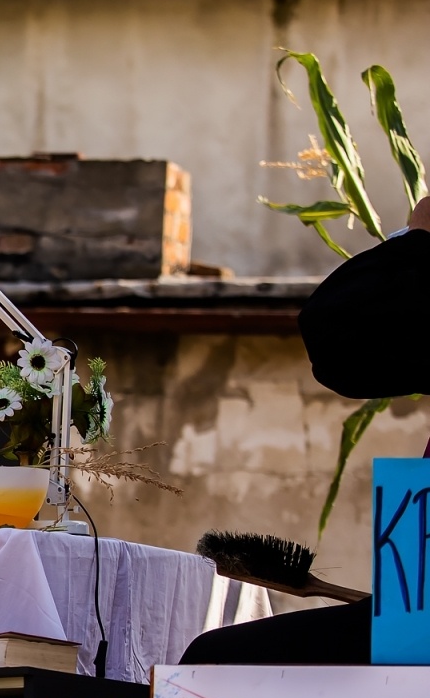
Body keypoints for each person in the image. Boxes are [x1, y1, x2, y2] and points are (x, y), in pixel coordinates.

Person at [181, 196, 430, 665]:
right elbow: (340, 346)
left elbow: (335, 326)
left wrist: (420, 238)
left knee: (214, 663)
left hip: (419, 625)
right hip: (416, 612)